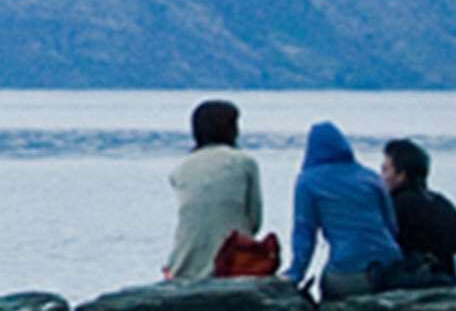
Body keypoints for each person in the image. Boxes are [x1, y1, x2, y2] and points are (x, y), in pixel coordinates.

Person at [285, 118, 407, 300]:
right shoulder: (370, 177)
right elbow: (391, 227)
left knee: (327, 285)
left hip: (349, 271)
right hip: (391, 267)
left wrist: (295, 275)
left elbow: (304, 235)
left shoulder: (307, 181)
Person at [162, 98, 264, 280]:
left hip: (183, 262)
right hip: (233, 260)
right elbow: (255, 221)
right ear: (231, 129)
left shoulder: (181, 168)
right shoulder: (244, 162)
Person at [382, 138, 456, 286]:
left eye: (385, 170)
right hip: (449, 278)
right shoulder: (444, 204)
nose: (380, 177)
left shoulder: (396, 206)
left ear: (401, 175)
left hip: (415, 280)